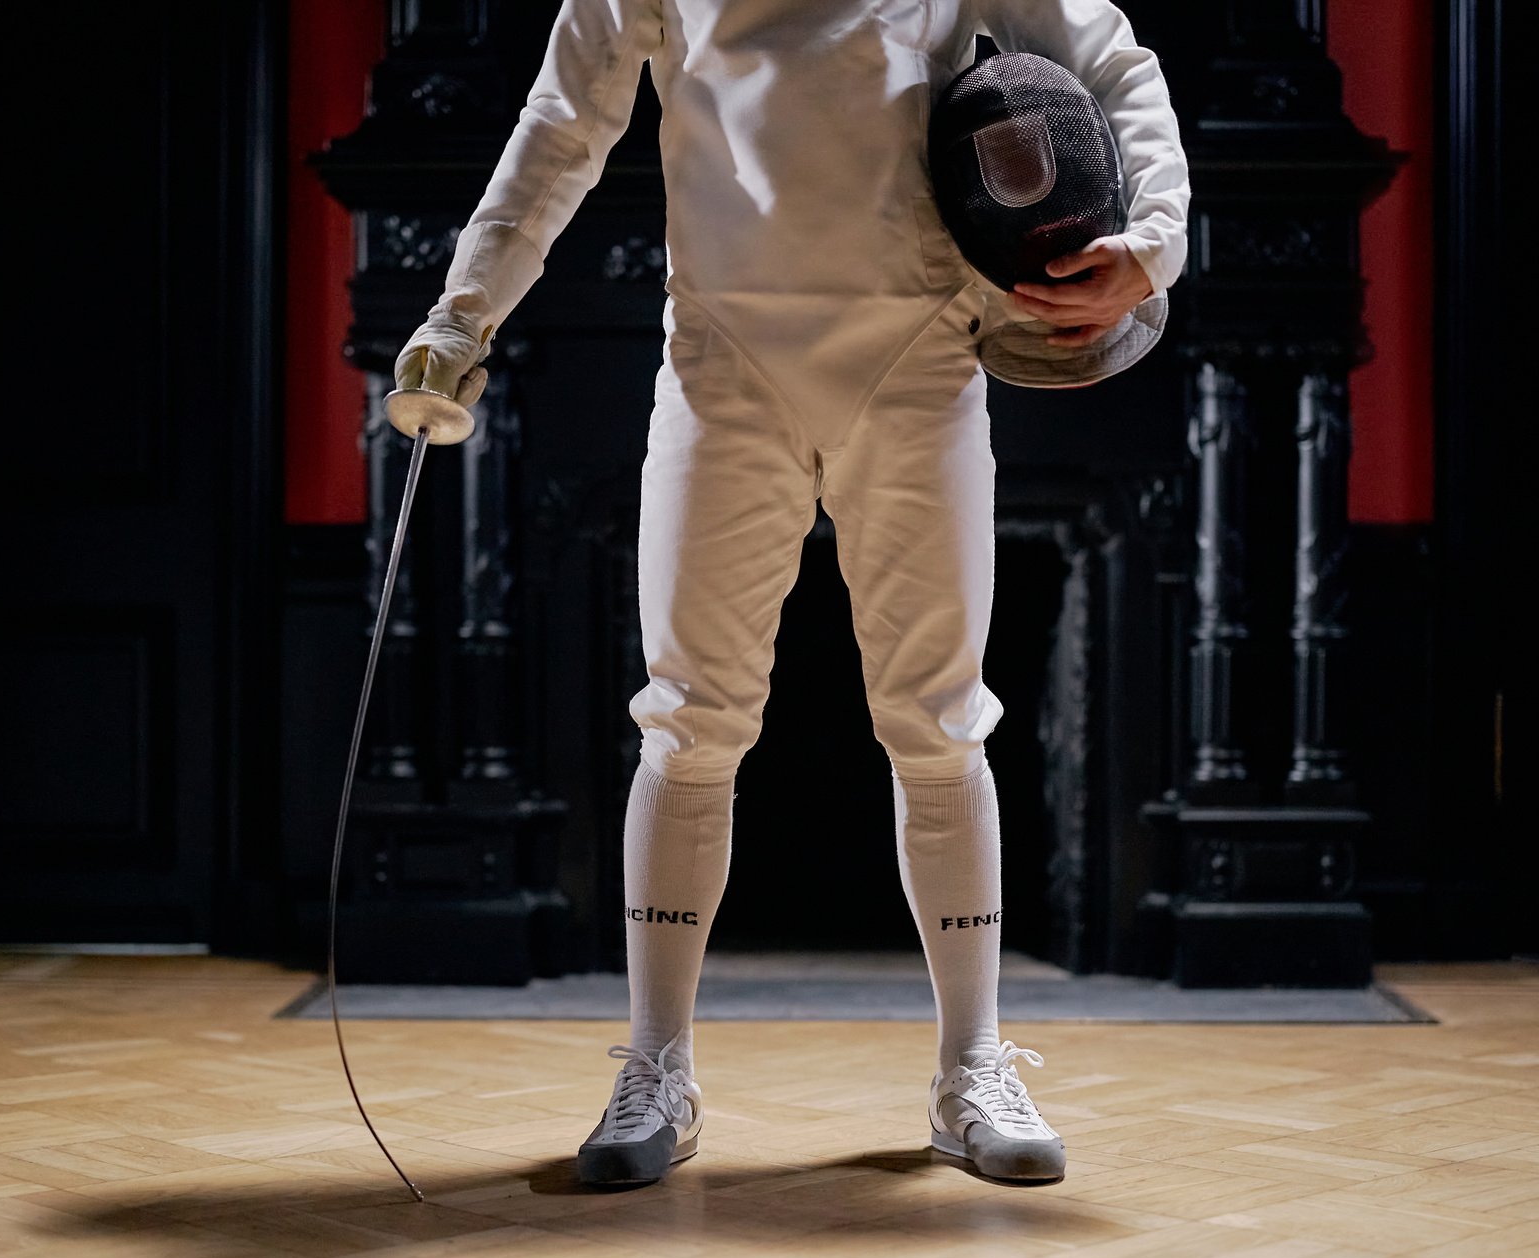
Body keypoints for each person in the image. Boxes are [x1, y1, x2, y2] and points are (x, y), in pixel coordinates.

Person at [393, 0, 1189, 1186]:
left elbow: (1113, 59)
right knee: (689, 718)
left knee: (937, 720)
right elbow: (561, 126)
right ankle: (657, 1065)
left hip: (917, 361)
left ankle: (970, 1066)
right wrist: (463, 313)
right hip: (724, 368)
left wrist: (1156, 239)